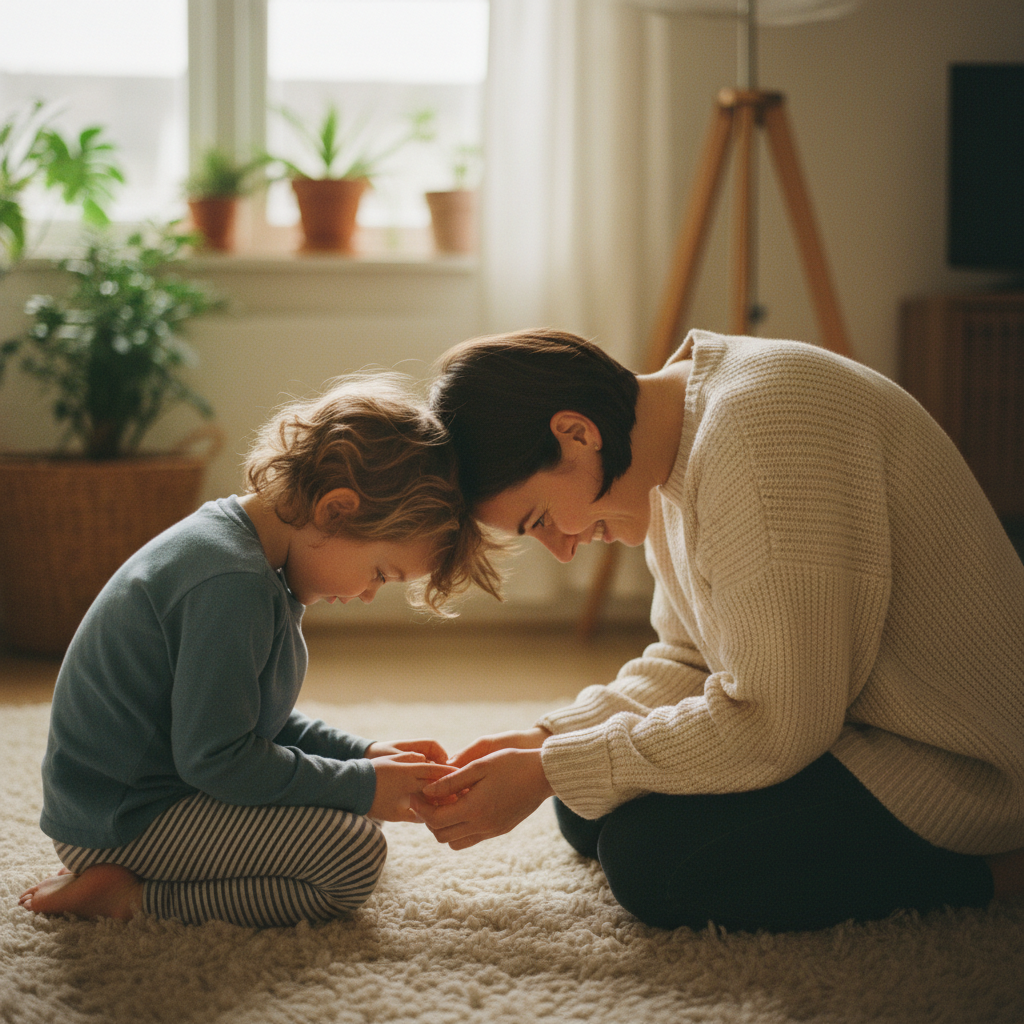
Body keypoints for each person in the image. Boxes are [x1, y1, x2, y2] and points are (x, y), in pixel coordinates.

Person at [414, 327, 1024, 933]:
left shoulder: (756, 439)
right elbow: (691, 659)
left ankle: (994, 873)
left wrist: (551, 769)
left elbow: (778, 722)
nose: (563, 550)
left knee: (650, 862)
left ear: (576, 433)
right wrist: (544, 739)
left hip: (961, 759)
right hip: (853, 720)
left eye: (541, 519)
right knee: (582, 810)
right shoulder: (664, 446)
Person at [19, 374, 500, 928]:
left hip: (151, 795)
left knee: (356, 813)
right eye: (379, 574)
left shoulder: (249, 558)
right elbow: (219, 758)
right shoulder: (232, 583)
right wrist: (362, 786)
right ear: (336, 511)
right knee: (353, 855)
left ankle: (135, 882)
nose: (367, 595)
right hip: (123, 821)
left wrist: (362, 756)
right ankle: (131, 899)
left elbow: (252, 721)